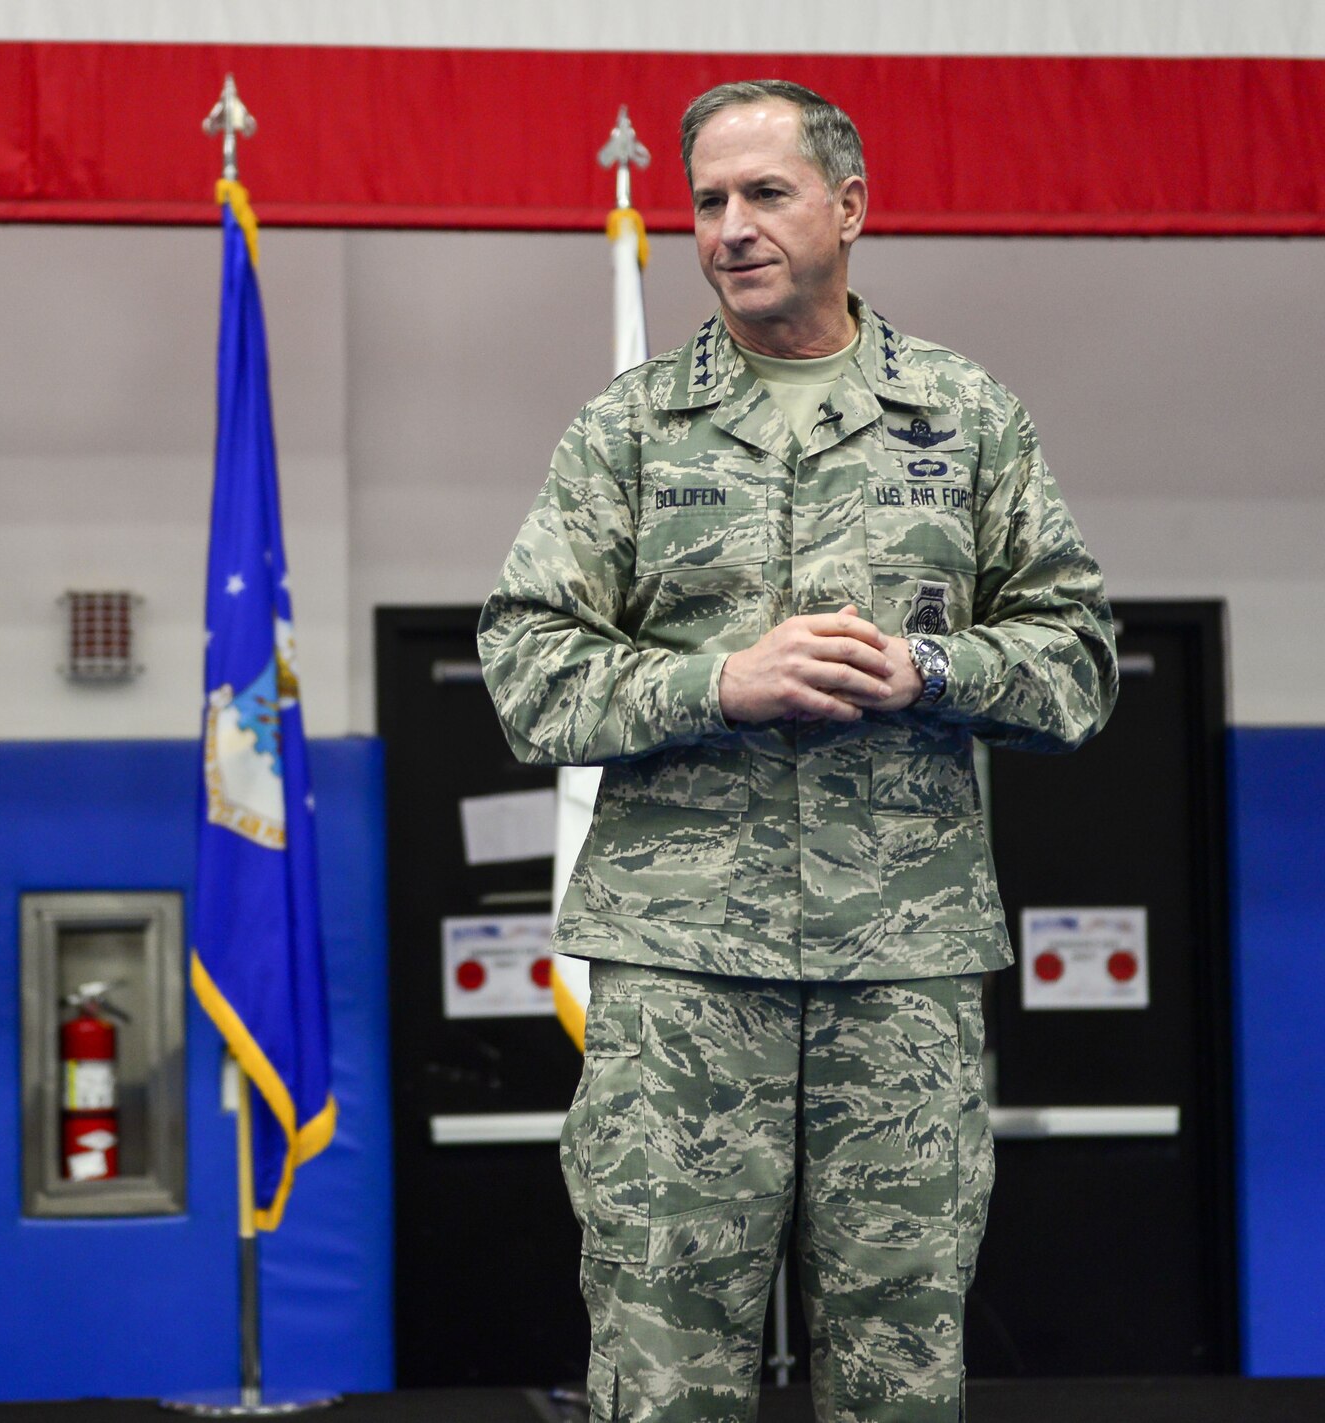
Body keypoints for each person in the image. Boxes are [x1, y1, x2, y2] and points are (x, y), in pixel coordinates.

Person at [478, 80, 1117, 1422]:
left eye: (764, 193)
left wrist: (934, 670)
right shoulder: (631, 432)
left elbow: (1078, 663)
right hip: (681, 976)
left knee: (899, 1374)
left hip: (905, 966)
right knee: (663, 1372)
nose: (729, 227)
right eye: (707, 201)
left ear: (851, 208)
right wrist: (723, 682)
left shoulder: (966, 417)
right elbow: (528, 674)